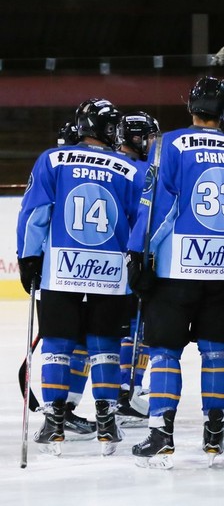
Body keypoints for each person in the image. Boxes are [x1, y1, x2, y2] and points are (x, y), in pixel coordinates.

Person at [128, 77, 224, 469]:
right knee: (216, 350)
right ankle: (216, 428)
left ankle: (161, 433)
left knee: (166, 350)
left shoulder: (169, 143)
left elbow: (159, 206)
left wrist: (141, 252)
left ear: (191, 106)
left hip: (176, 267)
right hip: (223, 267)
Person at [17, 98, 138, 456]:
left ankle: (54, 423)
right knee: (104, 348)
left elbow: (36, 214)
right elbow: (137, 224)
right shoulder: (129, 168)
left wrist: (28, 259)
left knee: (57, 346)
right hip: (111, 273)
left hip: (62, 270)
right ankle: (106, 421)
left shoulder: (53, 160)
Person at [114, 111, 161, 427]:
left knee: (113, 332)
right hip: (133, 261)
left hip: (100, 264)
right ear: (138, 138)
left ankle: (118, 393)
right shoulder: (143, 171)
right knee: (138, 328)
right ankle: (125, 396)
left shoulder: (105, 165)